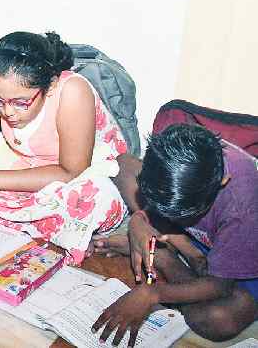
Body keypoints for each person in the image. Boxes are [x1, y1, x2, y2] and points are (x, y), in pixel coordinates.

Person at [0, 31, 128, 264]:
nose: (8, 112)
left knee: (91, 199)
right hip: (22, 160)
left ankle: (11, 217)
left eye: (21, 103)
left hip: (74, 174)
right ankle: (29, 221)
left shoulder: (72, 91)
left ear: (50, 85)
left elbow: (71, 171)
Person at [91, 124, 258, 344]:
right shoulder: (183, 152)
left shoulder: (243, 212)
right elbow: (132, 174)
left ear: (222, 182)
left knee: (219, 319)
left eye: (184, 213)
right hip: (197, 237)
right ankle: (188, 255)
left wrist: (154, 293)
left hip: (241, 255)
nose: (173, 219)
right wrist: (138, 221)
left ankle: (165, 258)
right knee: (121, 166)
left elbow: (221, 286)